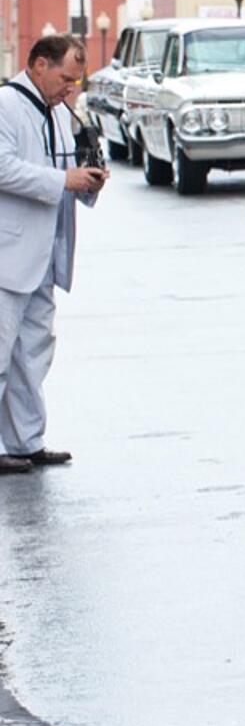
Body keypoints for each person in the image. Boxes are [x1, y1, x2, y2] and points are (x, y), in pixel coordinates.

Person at [0, 34, 107, 475]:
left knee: (33, 351)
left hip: (44, 253)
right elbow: (3, 167)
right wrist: (65, 180)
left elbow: (67, 168)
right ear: (39, 65)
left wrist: (89, 183)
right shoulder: (6, 104)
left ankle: (27, 441)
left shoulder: (59, 111)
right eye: (65, 78)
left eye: (76, 80)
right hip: (9, 253)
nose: (71, 88)